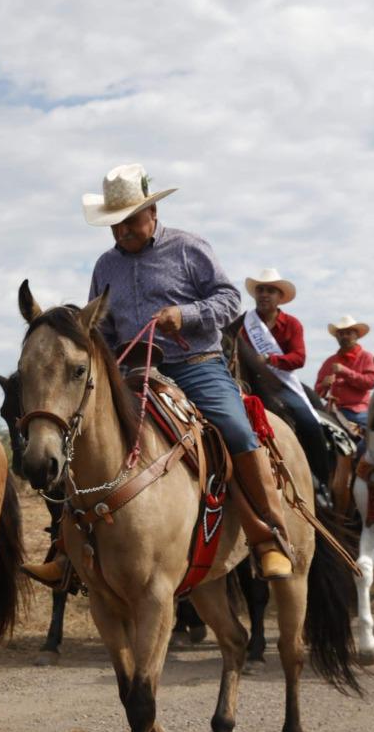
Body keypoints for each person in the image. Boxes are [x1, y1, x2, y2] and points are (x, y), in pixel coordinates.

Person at [83, 163, 294, 580]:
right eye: (114, 224)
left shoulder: (188, 248)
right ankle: (70, 547)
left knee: (234, 429)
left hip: (195, 365)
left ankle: (270, 534)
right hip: (131, 371)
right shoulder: (105, 266)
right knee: (81, 429)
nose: (121, 231)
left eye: (129, 221)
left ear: (152, 214)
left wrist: (186, 314)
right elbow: (101, 326)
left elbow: (229, 299)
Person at [237, 268, 331, 486]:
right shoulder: (243, 324)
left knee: (310, 423)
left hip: (280, 385)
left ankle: (321, 480)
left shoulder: (292, 324)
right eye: (260, 290)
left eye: (270, 290)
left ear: (280, 297)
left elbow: (299, 358)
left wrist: (270, 360)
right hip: (248, 385)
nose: (264, 294)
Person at [315, 317, 374, 428]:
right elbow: (317, 391)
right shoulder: (329, 361)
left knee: (368, 438)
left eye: (348, 333)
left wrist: (345, 372)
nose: (344, 336)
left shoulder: (366, 357)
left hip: (357, 411)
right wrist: (323, 385)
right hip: (332, 411)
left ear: (356, 336)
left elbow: (371, 382)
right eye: (341, 334)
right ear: (337, 337)